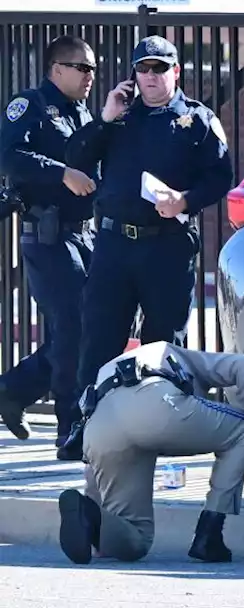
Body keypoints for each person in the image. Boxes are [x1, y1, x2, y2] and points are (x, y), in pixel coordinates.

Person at [68, 36, 234, 425]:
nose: (150, 76)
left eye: (159, 68)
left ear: (176, 72)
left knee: (163, 345)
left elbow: (220, 178)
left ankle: (162, 426)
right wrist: (105, 118)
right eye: (143, 69)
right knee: (99, 339)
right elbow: (76, 157)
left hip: (167, 247)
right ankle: (88, 427)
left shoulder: (198, 120)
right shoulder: (119, 117)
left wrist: (185, 201)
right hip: (113, 245)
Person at [56, 341, 244, 564]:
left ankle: (92, 520)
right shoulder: (181, 355)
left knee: (136, 539)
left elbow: (94, 469)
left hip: (99, 428)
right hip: (156, 404)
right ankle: (209, 536)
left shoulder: (108, 370)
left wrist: (98, 535)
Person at [0, 36, 99, 444]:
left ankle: (12, 390)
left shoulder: (83, 112)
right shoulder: (30, 107)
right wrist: (60, 172)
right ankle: (69, 427)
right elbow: (7, 155)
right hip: (48, 235)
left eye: (93, 68)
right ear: (56, 68)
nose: (90, 75)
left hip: (85, 235)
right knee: (72, 327)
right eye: (82, 67)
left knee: (87, 328)